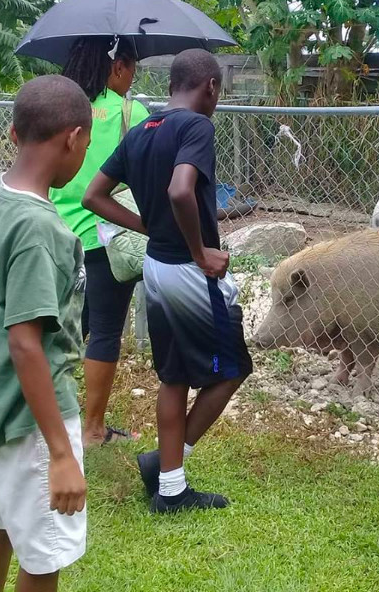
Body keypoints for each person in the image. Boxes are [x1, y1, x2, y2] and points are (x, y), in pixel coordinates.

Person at [83, 49, 252, 513]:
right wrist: (201, 253)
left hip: (155, 268)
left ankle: (171, 488)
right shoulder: (197, 126)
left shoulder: (141, 131)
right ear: (210, 87)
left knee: (174, 377)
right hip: (186, 271)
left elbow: (93, 195)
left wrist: (148, 227)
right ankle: (165, 461)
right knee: (233, 370)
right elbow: (181, 189)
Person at [0, 75, 91, 592]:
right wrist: (60, 453)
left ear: (14, 134)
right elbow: (24, 340)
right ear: (73, 139)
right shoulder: (40, 230)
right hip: (32, 422)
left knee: (0, 528)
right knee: (43, 558)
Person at [51, 36, 148, 447]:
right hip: (110, 236)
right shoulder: (132, 112)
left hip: (56, 234)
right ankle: (92, 429)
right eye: (132, 70)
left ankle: (39, 414)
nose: (132, 80)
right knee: (105, 331)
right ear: (117, 67)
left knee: (55, 328)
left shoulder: (62, 108)